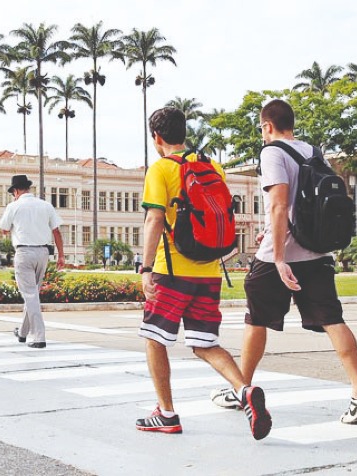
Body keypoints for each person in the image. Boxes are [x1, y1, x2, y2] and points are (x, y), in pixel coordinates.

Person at [211, 99, 357, 424]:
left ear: (267, 126)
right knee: (333, 320)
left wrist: (277, 256)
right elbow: (300, 208)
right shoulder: (313, 152)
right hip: (316, 252)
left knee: (255, 320)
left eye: (262, 129)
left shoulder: (272, 151)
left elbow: (279, 203)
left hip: (282, 256)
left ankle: (241, 389)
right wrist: (267, 232)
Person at [137, 106, 272, 439]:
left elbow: (154, 220)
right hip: (210, 270)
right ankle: (244, 391)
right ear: (184, 132)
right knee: (206, 343)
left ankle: (166, 413)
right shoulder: (213, 167)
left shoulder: (162, 169)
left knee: (155, 338)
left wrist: (146, 267)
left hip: (172, 272)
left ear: (156, 138)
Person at [0, 175, 65, 349]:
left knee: (29, 295)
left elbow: (3, 229)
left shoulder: (14, 206)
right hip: (43, 252)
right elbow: (56, 231)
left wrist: (12, 228)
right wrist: (62, 255)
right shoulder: (45, 205)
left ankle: (39, 336)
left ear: (16, 190)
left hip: (24, 252)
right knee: (33, 293)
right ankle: (22, 332)